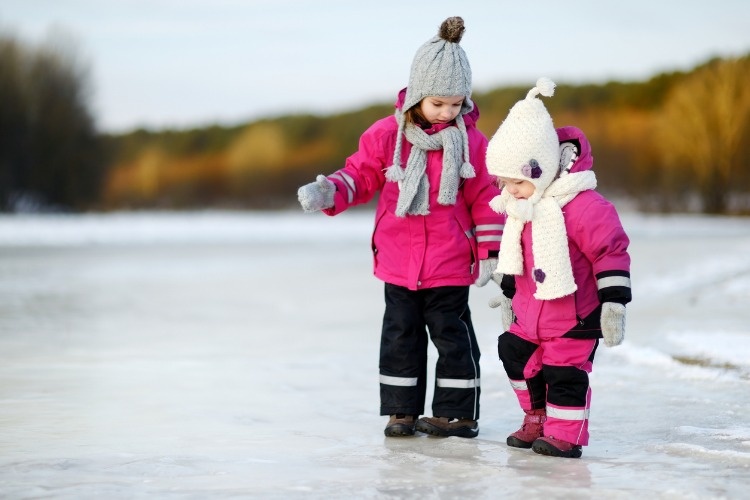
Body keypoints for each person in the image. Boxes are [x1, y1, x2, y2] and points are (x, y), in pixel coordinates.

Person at [297, 17, 504, 438]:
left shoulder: (473, 143)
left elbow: (486, 198)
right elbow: (360, 176)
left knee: (453, 338)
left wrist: (490, 252)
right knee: (400, 338)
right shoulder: (386, 136)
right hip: (398, 261)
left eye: (455, 103)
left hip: (448, 260)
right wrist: (329, 191)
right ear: (416, 95)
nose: (448, 113)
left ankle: (456, 413)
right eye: (438, 104)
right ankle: (401, 411)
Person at [484, 78, 632, 458]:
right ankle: (536, 417)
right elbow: (514, 255)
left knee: (564, 374)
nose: (509, 190)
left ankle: (565, 434)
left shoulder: (583, 206)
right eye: (502, 182)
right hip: (530, 312)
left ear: (540, 169)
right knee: (513, 353)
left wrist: (614, 301)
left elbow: (610, 250)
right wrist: (507, 296)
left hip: (573, 314)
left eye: (515, 181)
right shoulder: (521, 208)